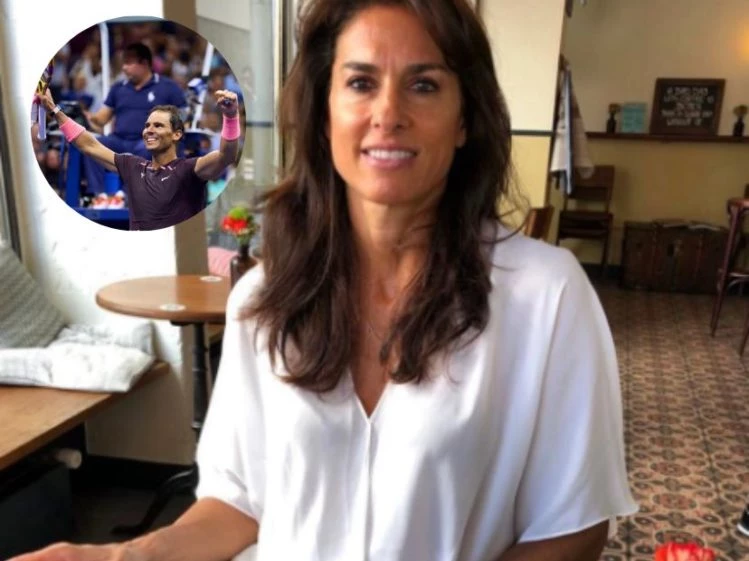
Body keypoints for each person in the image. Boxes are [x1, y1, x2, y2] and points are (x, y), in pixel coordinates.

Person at [12, 1, 638, 560]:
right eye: (361, 82)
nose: (388, 113)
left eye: (424, 84)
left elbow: (574, 526)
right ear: (324, 115)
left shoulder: (546, 296)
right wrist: (128, 557)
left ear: (465, 119)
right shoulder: (262, 299)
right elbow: (237, 502)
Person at [37, 88, 241, 231]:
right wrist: (54, 110)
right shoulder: (133, 166)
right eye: (147, 125)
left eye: (158, 126)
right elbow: (89, 145)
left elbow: (227, 155)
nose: (149, 130)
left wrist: (231, 117)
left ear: (177, 134)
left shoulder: (190, 169)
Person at [83, 42, 187, 194]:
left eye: (129, 63)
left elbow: (183, 119)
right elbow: (101, 119)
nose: (124, 68)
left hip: (148, 140)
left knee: (147, 149)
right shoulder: (118, 88)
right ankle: (98, 195)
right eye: (123, 63)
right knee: (93, 145)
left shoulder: (169, 87)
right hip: (119, 140)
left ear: (144, 64)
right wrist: (87, 116)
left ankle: (129, 196)